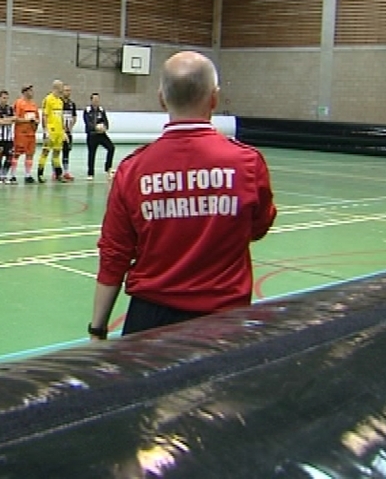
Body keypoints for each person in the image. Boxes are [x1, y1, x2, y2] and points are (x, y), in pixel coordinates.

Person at [88, 51, 277, 341]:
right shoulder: (247, 163)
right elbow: (259, 226)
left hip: (149, 320)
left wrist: (98, 327)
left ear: (161, 98)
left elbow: (115, 254)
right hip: (224, 319)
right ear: (214, 98)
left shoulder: (133, 169)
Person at [37, 80, 66, 183]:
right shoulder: (48, 99)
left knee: (57, 153)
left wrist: (63, 131)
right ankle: (40, 173)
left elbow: (61, 117)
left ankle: (58, 174)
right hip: (51, 130)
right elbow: (44, 115)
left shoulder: (61, 101)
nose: (63, 89)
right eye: (62, 87)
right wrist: (45, 130)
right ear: (57, 87)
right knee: (45, 152)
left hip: (59, 131)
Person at [83, 92, 115, 180]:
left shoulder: (101, 110)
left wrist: (104, 127)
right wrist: (95, 128)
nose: (96, 101)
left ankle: (108, 168)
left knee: (111, 147)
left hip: (101, 135)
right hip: (92, 135)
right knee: (92, 154)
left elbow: (106, 121)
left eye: (97, 99)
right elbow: (87, 123)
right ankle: (90, 173)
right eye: (94, 99)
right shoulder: (87, 110)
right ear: (91, 100)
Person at [13, 84, 39, 184]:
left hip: (31, 134)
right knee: (17, 154)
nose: (32, 92)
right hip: (21, 133)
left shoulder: (33, 104)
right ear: (25, 92)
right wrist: (27, 120)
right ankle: (13, 175)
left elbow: (37, 118)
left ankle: (27, 175)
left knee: (30, 154)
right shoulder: (19, 103)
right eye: (30, 90)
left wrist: (35, 122)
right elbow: (16, 118)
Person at [0, 90, 16, 184]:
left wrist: (4, 120)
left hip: (9, 138)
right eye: (3, 98)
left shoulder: (10, 108)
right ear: (0, 98)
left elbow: (14, 119)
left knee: (10, 157)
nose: (5, 100)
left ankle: (4, 175)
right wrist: (7, 120)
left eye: (6, 98)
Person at [61, 84, 77, 180]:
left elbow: (74, 117)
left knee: (66, 151)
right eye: (66, 90)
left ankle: (66, 172)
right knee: (57, 151)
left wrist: (70, 127)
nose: (68, 92)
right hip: (60, 131)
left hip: (68, 132)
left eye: (69, 90)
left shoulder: (72, 104)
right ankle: (56, 171)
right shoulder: (59, 102)